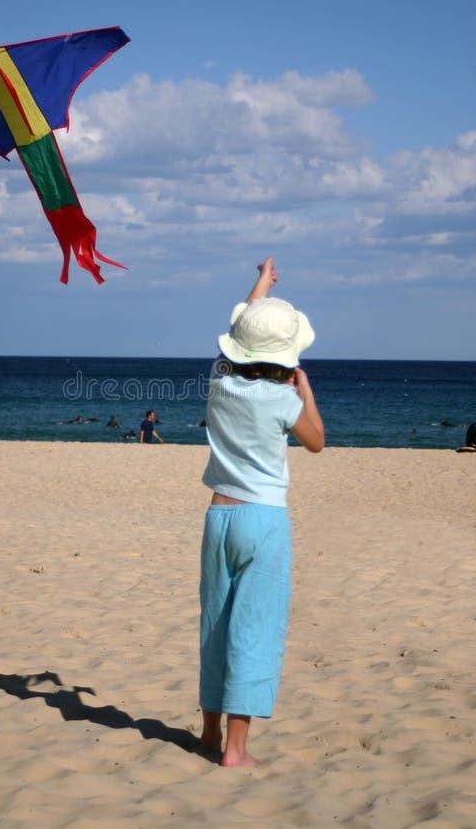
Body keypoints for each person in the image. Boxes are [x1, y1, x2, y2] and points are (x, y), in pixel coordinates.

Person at [198, 256, 324, 768]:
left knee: (215, 625)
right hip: (264, 519)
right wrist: (306, 391)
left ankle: (207, 736)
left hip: (219, 516)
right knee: (253, 627)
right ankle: (236, 750)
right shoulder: (282, 400)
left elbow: (239, 328)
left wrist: (261, 284)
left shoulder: (220, 380)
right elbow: (316, 441)